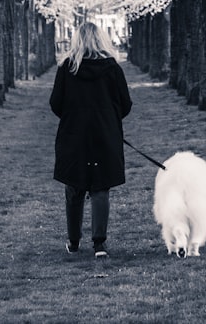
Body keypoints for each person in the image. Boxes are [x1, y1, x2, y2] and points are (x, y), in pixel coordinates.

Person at [50, 22, 132, 259]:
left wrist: (73, 117)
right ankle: (99, 244)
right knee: (100, 188)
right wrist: (108, 119)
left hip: (73, 135)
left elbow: (56, 103)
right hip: (104, 135)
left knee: (73, 187)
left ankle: (74, 242)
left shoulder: (67, 68)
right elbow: (125, 103)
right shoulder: (113, 69)